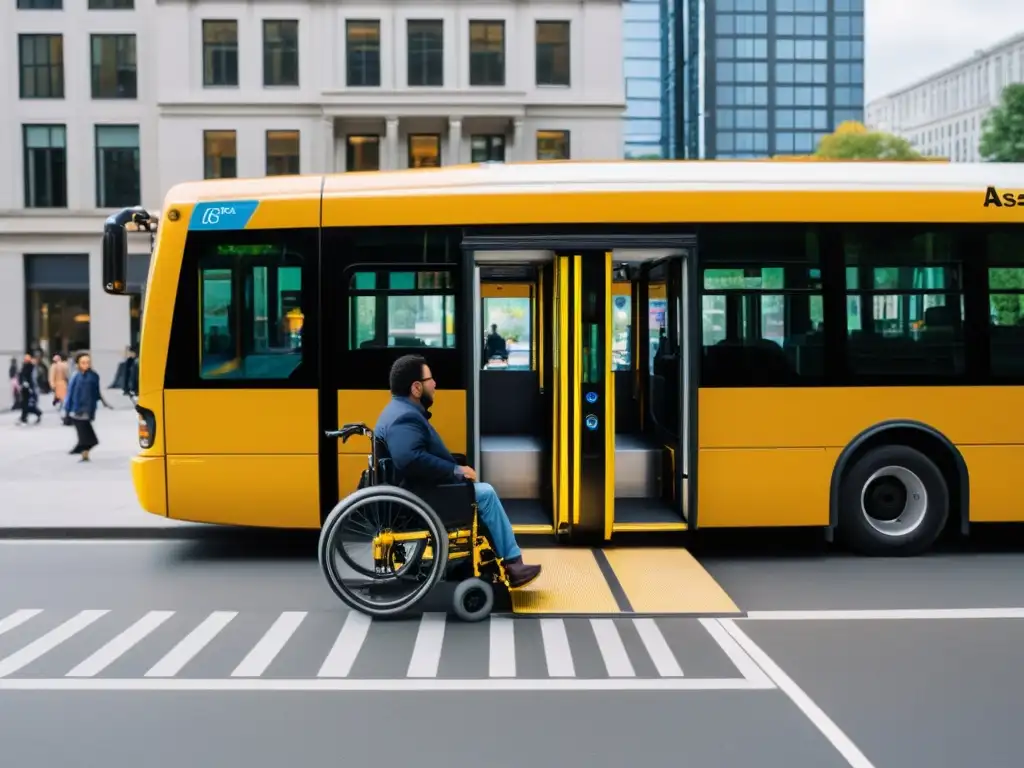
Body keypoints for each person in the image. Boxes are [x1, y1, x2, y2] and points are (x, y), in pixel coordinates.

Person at [375, 354, 542, 589]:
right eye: (430, 379)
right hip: (423, 497)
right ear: (416, 387)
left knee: (480, 491)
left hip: (418, 491)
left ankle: (497, 562)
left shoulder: (399, 411)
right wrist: (455, 471)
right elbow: (409, 459)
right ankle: (513, 565)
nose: (435, 385)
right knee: (485, 494)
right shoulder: (404, 417)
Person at [63, 352, 112, 461]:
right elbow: (70, 393)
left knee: (85, 433)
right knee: (84, 432)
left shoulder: (94, 376)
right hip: (77, 409)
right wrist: (66, 410)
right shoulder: (76, 376)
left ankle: (82, 449)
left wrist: (104, 403)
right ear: (78, 364)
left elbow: (96, 392)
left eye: (88, 362)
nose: (86, 365)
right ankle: (83, 451)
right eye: (83, 363)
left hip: (88, 408)